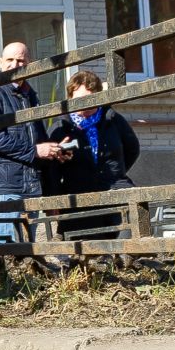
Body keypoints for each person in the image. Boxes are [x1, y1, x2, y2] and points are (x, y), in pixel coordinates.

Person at [0, 42, 66, 242]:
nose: (15, 65)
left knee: (25, 250)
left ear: (29, 64)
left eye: (21, 60)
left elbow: (39, 139)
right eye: (10, 60)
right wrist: (35, 150)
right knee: (9, 248)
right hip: (8, 185)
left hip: (31, 183)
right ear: (0, 62)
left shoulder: (30, 95)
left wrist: (53, 150)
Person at [47, 69, 141, 242]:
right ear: (70, 98)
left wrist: (114, 171)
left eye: (90, 101)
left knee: (132, 217)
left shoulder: (112, 119)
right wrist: (54, 199)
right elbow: (51, 169)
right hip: (77, 191)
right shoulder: (61, 127)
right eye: (79, 101)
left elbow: (132, 148)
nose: (84, 107)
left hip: (112, 186)